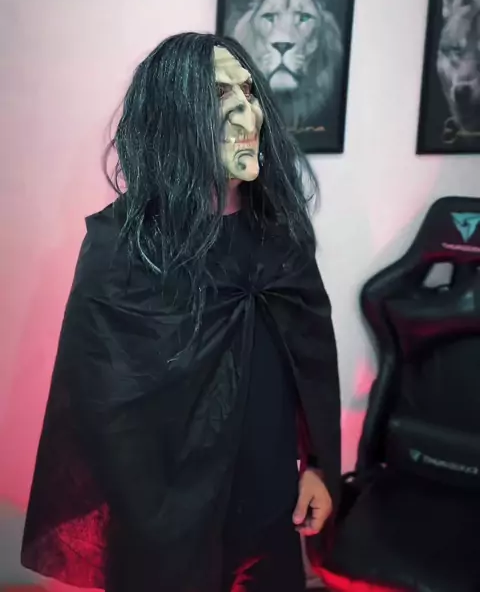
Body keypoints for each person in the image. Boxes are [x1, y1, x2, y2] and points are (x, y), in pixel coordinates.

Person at [22, 32, 341, 592]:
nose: (248, 114)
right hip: (161, 527)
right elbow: (98, 407)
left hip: (266, 512)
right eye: (221, 96)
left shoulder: (280, 240)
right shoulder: (123, 248)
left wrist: (319, 465)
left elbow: (312, 366)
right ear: (173, 118)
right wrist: (151, 524)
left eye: (249, 92)